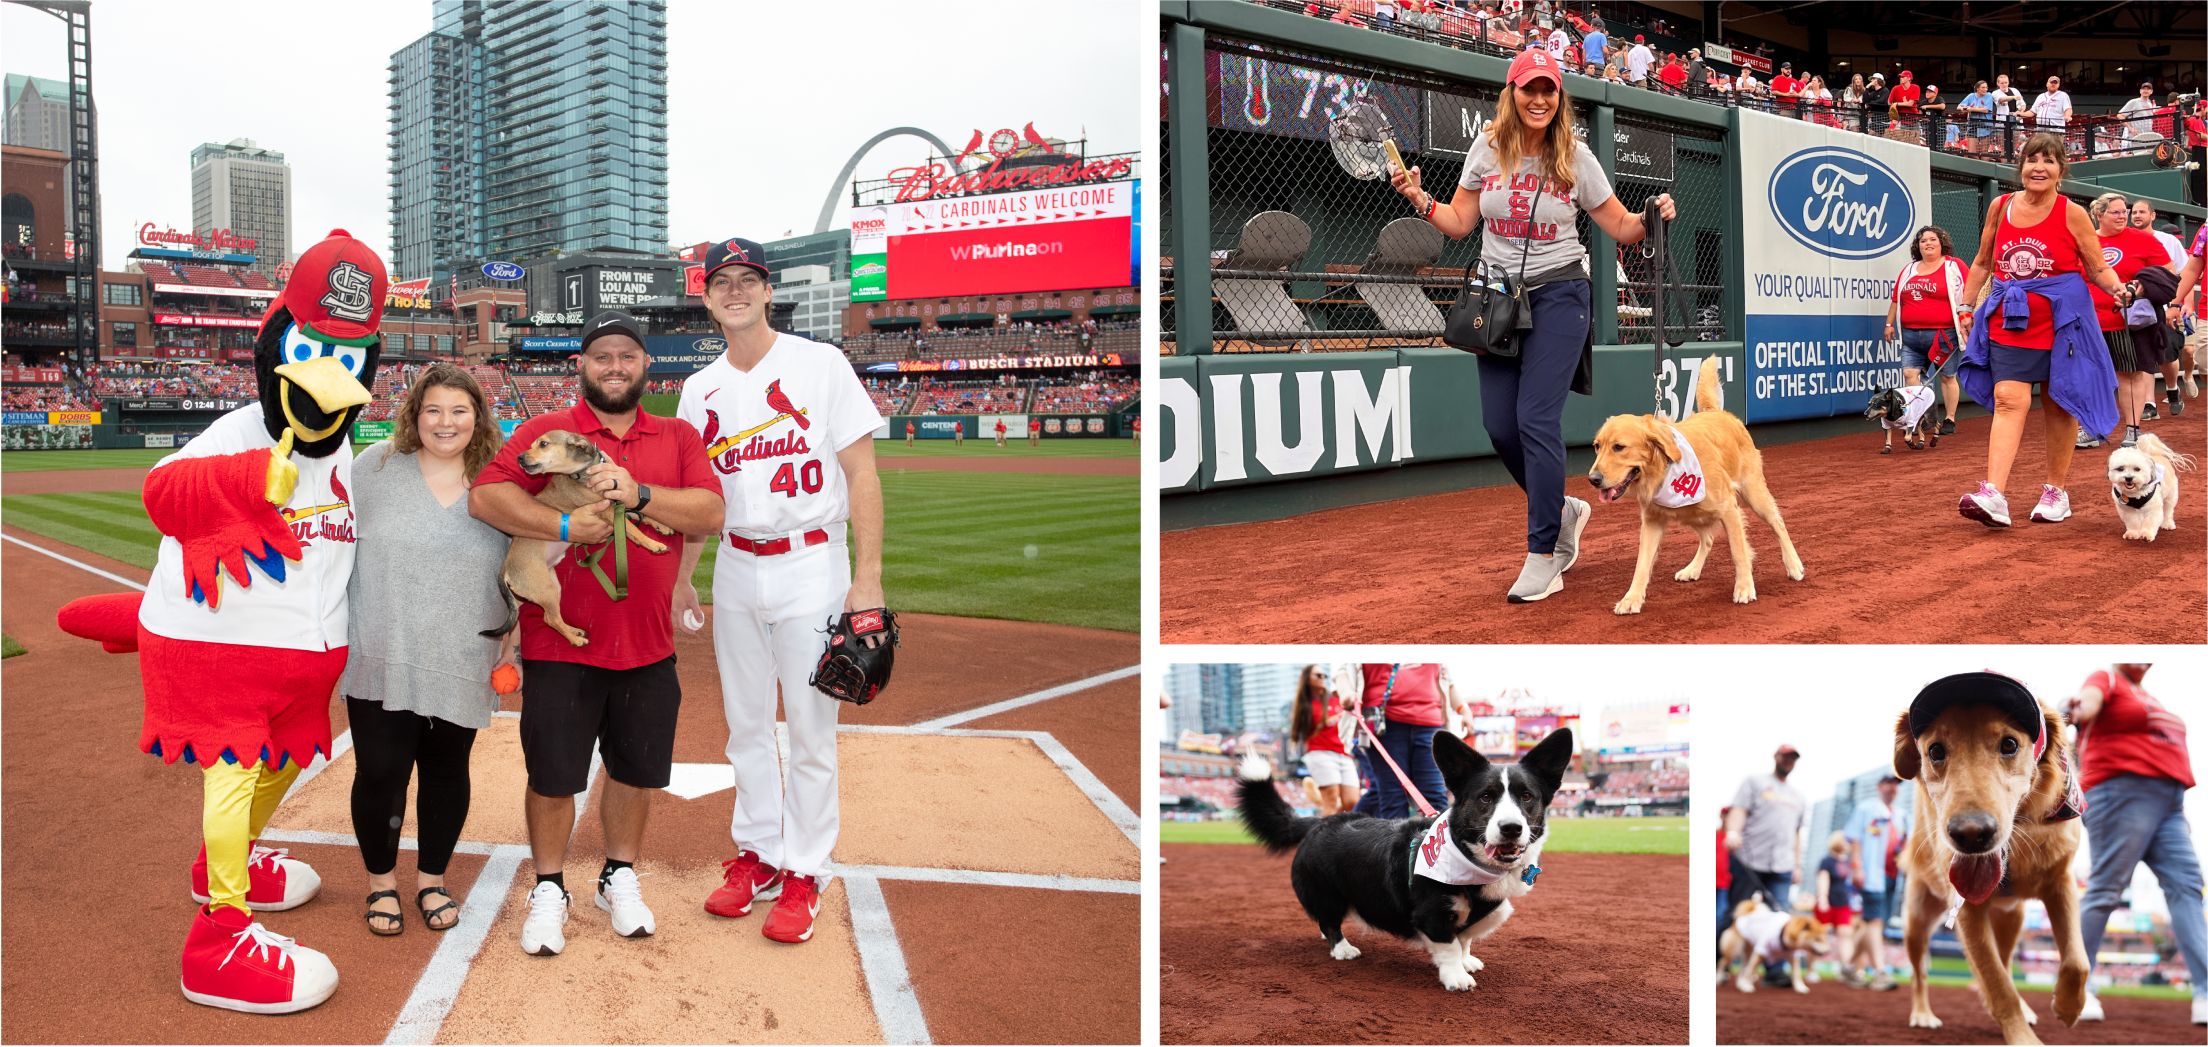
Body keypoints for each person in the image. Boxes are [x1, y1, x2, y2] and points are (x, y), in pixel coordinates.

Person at [470, 310, 726, 957]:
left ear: (646, 365)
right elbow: (487, 496)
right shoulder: (547, 430)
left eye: (627, 356)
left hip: (648, 642)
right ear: (581, 366)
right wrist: (559, 530)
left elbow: (710, 511)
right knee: (554, 774)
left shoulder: (676, 435)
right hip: (563, 643)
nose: (615, 366)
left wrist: (639, 493)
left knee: (636, 770)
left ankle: (619, 875)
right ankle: (550, 886)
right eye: (602, 356)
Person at [1391, 47, 1675, 602]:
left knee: (1534, 419)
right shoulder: (1487, 148)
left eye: (1549, 90)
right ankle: (1562, 509)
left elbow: (1619, 226)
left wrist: (1651, 215)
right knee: (1500, 426)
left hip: (1561, 296)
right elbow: (1459, 222)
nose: (1540, 99)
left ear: (1559, 96)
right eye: (1530, 89)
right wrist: (1421, 198)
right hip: (1497, 301)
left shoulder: (1577, 156)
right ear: (1512, 92)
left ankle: (1544, 553)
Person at [675, 238, 888, 946]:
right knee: (743, 725)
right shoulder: (697, 388)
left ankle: (805, 868)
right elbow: (700, 500)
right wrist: (684, 576)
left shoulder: (819, 364)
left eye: (748, 280)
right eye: (722, 281)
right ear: (706, 296)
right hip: (736, 564)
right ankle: (760, 856)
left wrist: (868, 578)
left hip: (810, 563)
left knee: (810, 728)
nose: (735, 291)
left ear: (768, 291)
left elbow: (862, 475)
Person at [344, 363, 512, 936]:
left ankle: (432, 878)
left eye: (459, 411)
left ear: (477, 417)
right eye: (434, 409)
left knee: (446, 772)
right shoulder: (376, 468)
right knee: (381, 772)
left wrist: (510, 648)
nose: (446, 422)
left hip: (463, 652)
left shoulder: (498, 478)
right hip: (380, 650)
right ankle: (381, 883)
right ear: (416, 414)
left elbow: (525, 564)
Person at [1954, 133, 2129, 527]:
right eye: (2032, 159)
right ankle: (1994, 493)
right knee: (2008, 397)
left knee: (2059, 402)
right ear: (2021, 167)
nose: (2039, 167)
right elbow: (1982, 263)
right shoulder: (1999, 207)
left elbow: (2097, 267)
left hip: (2063, 319)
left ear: (2060, 170)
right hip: (2010, 318)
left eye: (2049, 161)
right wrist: (1967, 304)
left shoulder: (2072, 213)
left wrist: (2119, 290)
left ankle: (2056, 491)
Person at [2065, 663, 2207, 1027]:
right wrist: (2075, 710)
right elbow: (2088, 706)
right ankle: (2076, 987)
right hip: (2121, 791)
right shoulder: (2105, 678)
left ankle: (2206, 991)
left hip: (2169, 803)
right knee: (2106, 889)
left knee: (2188, 887)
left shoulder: (2148, 695)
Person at [2075, 193, 2168, 449]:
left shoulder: (2142, 239)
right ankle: (2092, 429)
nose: (2122, 215)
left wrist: (2138, 289)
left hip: (2129, 322)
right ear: (2099, 214)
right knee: (2090, 376)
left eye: (2123, 211)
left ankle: (2133, 429)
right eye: (2115, 212)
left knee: (2130, 374)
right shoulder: (2085, 241)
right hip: (2089, 322)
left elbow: (2167, 272)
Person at [1885, 225, 1969, 438]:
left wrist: (1968, 319)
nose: (1928, 243)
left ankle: (1950, 418)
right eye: (1923, 241)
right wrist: (1889, 324)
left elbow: (1970, 292)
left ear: (1942, 244)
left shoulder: (1954, 266)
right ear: (1918, 246)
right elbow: (1896, 299)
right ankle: (1923, 417)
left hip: (1943, 335)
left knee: (1947, 377)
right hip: (1912, 335)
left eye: (1933, 239)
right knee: (1909, 374)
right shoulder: (1908, 269)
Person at [1352, 663, 1451, 817]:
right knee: (1393, 797)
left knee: (1435, 796)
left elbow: (1445, 680)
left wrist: (1462, 708)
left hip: (1430, 724)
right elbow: (1345, 672)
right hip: (1385, 725)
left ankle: (1441, 839)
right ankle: (1396, 840)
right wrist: (1347, 693)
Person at [1840, 775, 1909, 991]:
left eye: (1896, 784)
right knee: (1875, 922)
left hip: (1892, 876)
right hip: (1871, 873)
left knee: (1874, 923)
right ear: (1880, 787)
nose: (1893, 788)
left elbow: (1907, 843)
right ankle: (1880, 971)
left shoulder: (1902, 815)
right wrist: (1857, 866)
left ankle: (1850, 967)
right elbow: (1855, 839)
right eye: (1888, 783)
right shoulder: (1866, 808)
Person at [1726, 745, 1806, 922]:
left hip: (1783, 865)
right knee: (1737, 914)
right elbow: (1739, 810)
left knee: (1778, 919)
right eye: (1785, 757)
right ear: (1775, 757)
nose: (1788, 761)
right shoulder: (1755, 781)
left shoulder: (1799, 797)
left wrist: (1797, 865)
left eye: (1792, 758)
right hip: (1750, 859)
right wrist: (1733, 832)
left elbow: (1797, 832)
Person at [2130, 199, 2195, 411]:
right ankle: (2149, 403)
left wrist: (2186, 303)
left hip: (2167, 306)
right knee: (2145, 355)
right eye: (2134, 212)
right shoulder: (2127, 240)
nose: (2137, 215)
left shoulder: (2168, 241)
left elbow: (2187, 273)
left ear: (2153, 215)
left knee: (2167, 357)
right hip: (2138, 308)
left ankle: (2172, 387)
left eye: (2142, 212)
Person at [1287, 665, 1360, 816]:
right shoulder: (1305, 705)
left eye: (1324, 676)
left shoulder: (1335, 697)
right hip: (1321, 753)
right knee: (1331, 801)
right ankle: (1326, 837)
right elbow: (1305, 728)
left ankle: (1327, 826)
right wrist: (1331, 720)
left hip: (1344, 753)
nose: (1323, 679)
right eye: (1318, 675)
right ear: (1307, 679)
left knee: (1352, 801)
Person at [1813, 832, 1856, 963]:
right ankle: (1810, 969)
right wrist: (1822, 898)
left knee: (1846, 934)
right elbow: (1823, 879)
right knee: (1818, 936)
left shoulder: (1849, 862)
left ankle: (1847, 967)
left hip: (1843, 904)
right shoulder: (1827, 861)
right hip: (1827, 903)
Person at [2117, 82, 2160, 155]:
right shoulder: (2134, 102)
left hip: (2147, 137)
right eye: (2143, 89)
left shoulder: (2150, 103)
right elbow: (2120, 115)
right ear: (2140, 91)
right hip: (2135, 137)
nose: (2145, 90)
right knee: (2133, 156)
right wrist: (2130, 128)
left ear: (2151, 92)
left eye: (2148, 89)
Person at [1958, 80, 1998, 155]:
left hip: (1985, 125)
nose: (1985, 89)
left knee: (1984, 152)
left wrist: (1971, 109)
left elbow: (1986, 110)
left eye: (1986, 87)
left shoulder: (1989, 95)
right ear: (1977, 88)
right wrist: (1963, 109)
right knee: (1971, 153)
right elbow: (1959, 107)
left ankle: (1984, 166)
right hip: (1972, 125)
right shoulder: (1971, 96)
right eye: (1983, 87)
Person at [1990, 72, 2027, 151]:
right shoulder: (1995, 93)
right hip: (2003, 121)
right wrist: (2014, 97)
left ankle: (2012, 162)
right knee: (2004, 146)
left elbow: (2023, 104)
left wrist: (2020, 111)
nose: (2004, 84)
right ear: (1998, 83)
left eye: (2006, 82)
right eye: (2002, 83)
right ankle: (2004, 162)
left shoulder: (2015, 90)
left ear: (2008, 82)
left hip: (2016, 120)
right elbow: (2001, 99)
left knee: (2013, 146)